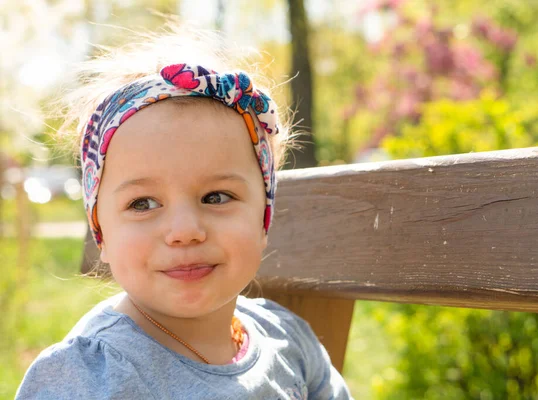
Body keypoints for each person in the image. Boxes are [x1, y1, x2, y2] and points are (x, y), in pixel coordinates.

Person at [16, 26, 352, 399]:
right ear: (102, 233)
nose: (185, 230)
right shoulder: (90, 376)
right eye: (142, 203)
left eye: (216, 197)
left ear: (263, 218)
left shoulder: (289, 341)